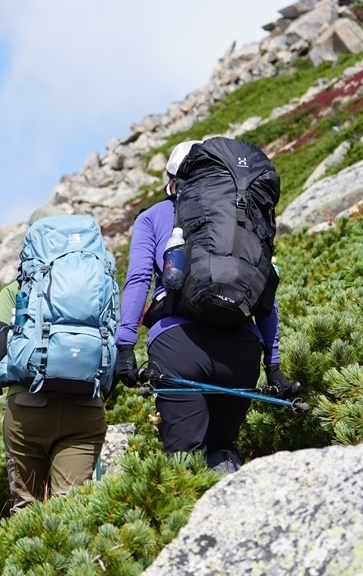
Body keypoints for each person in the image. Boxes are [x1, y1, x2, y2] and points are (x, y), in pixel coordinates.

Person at [114, 141, 290, 473]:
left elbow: (138, 280)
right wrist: (274, 366)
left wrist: (125, 346)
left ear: (173, 179)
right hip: (241, 351)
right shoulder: (243, 215)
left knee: (185, 466)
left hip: (178, 347)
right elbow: (266, 290)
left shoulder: (154, 217)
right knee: (223, 452)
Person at [0, 205, 109, 514]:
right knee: (71, 510)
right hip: (84, 409)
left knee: (27, 509)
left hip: (28, 411)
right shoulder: (99, 288)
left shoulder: (15, 292)